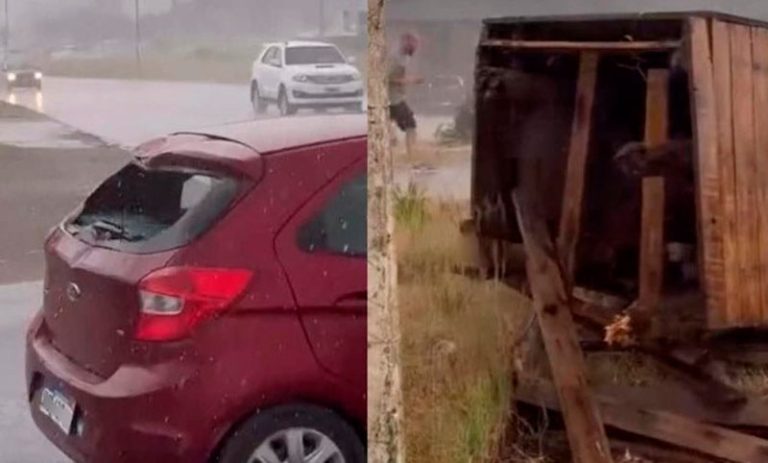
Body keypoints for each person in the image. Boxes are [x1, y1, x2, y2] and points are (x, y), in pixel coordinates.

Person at [388, 32, 423, 158]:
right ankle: (412, 154)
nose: (415, 48)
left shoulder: (401, 58)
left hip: (393, 98)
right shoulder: (397, 59)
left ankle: (392, 139)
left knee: (394, 121)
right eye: (413, 45)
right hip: (393, 99)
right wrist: (412, 80)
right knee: (411, 125)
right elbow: (389, 78)